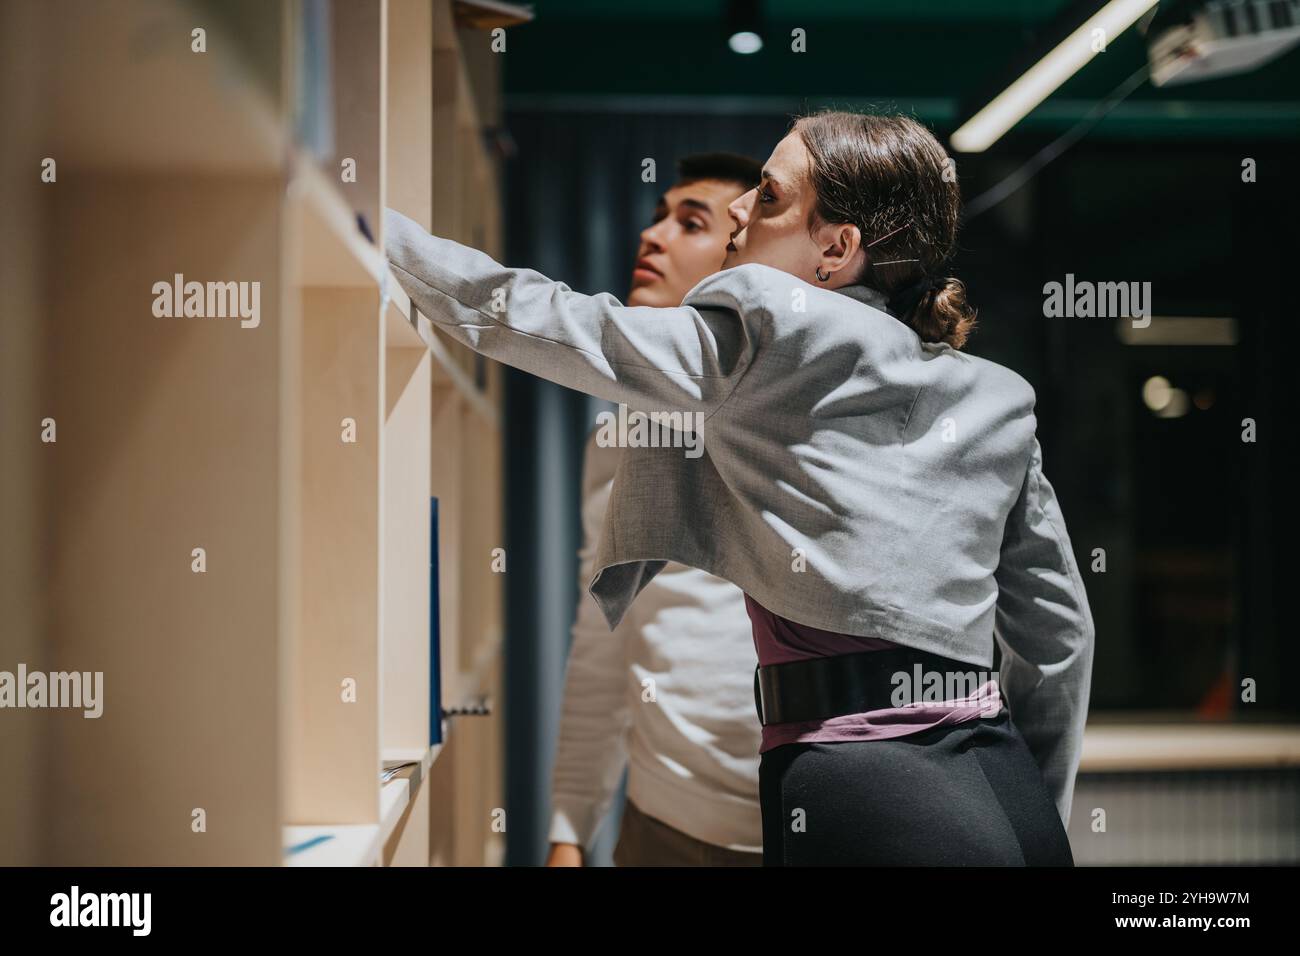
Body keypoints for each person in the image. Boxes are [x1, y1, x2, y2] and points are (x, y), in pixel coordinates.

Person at [385, 110, 1095, 865]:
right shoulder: (997, 394)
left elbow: (567, 324)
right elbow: (1058, 638)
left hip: (858, 783)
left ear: (835, 248)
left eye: (765, 193)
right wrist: (1027, 813)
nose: (736, 210)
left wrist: (386, 239)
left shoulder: (769, 323)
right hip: (999, 783)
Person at [547, 154, 765, 868]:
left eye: (690, 222)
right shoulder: (616, 438)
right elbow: (603, 640)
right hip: (658, 828)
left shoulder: (796, 427)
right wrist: (570, 826)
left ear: (743, 260)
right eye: (657, 216)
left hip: (806, 826)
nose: (653, 235)